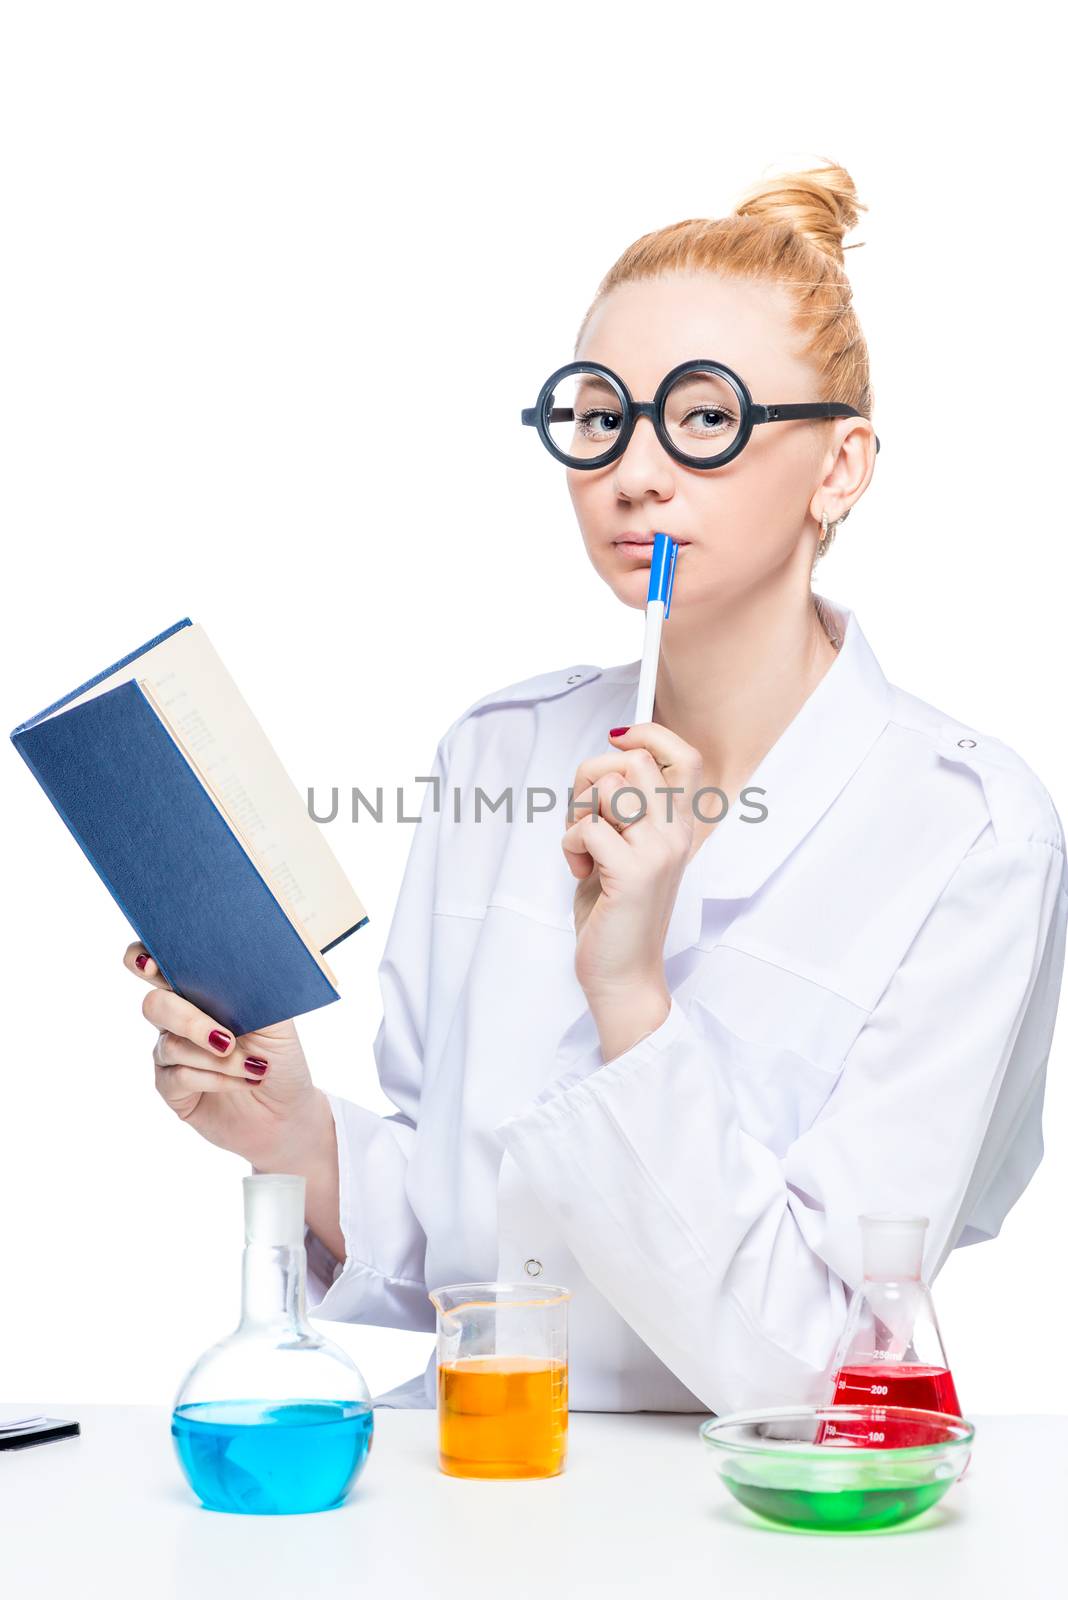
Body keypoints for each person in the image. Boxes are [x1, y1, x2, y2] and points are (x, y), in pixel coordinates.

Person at [125, 162, 1068, 1414]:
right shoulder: (500, 754)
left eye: (704, 417)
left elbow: (816, 1368)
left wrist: (629, 989)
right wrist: (291, 1131)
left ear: (840, 468)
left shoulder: (969, 835)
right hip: (467, 1476)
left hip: (741, 1522)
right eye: (599, 416)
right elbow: (464, 1256)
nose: (634, 470)